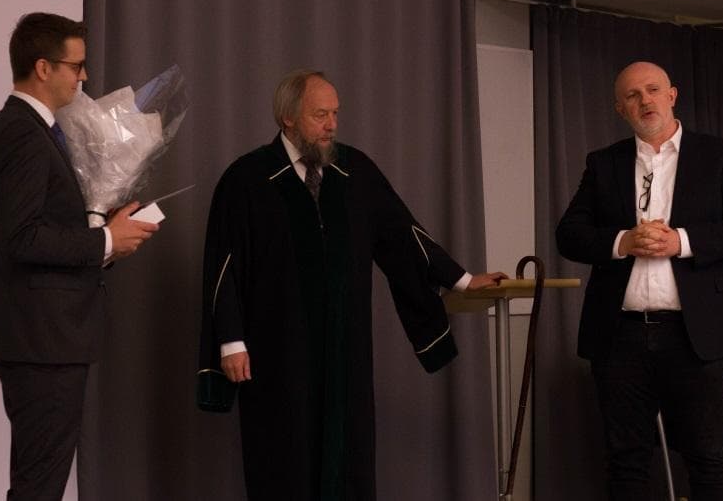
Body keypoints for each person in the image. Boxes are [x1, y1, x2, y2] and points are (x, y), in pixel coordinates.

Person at [199, 69, 505, 500]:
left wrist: (462, 279)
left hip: (346, 350)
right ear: (287, 118)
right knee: (282, 456)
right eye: (320, 114)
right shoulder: (247, 179)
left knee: (349, 458)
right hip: (277, 351)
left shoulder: (353, 170)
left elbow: (404, 235)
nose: (332, 124)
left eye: (335, 113)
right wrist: (231, 341)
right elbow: (223, 265)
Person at [556, 61, 723, 500]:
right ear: (619, 108)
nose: (644, 101)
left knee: (708, 458)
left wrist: (682, 242)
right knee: (625, 460)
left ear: (672, 95)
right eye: (633, 95)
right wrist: (623, 241)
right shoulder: (604, 163)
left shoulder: (718, 155)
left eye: (652, 90)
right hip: (620, 338)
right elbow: (569, 235)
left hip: (696, 336)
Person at [0, 12, 159, 500]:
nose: (83, 77)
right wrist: (103, 242)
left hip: (42, 338)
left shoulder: (30, 130)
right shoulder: (21, 133)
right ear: (42, 67)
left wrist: (104, 228)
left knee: (39, 478)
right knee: (40, 484)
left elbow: (39, 230)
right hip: (42, 341)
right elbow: (23, 237)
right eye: (74, 66)